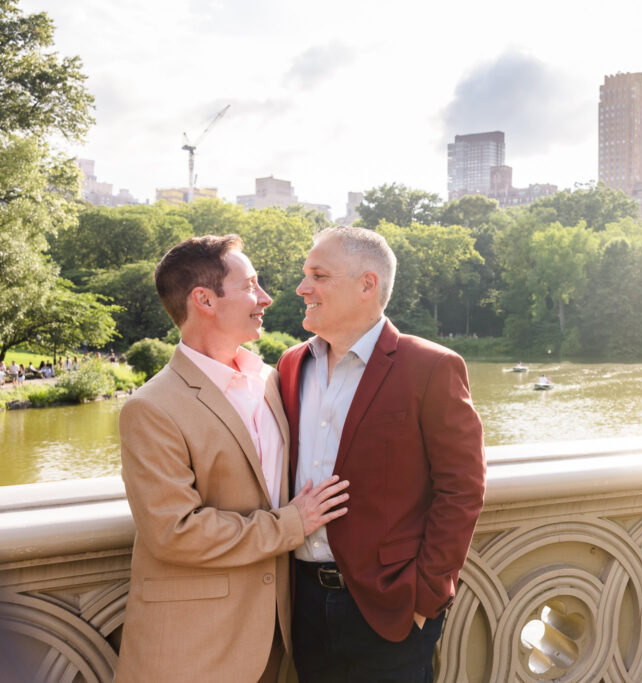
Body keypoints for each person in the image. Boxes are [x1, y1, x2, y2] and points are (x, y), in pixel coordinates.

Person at [116, 235, 351, 683]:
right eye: (250, 286)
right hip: (195, 647)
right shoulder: (150, 408)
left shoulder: (274, 380)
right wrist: (291, 524)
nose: (265, 298)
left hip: (280, 636)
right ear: (204, 299)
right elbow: (173, 531)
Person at [278, 226, 486, 682]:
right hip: (303, 605)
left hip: (390, 607)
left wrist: (425, 596)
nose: (302, 287)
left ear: (366, 284)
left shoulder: (432, 367)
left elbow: (462, 489)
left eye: (318, 275)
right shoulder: (291, 365)